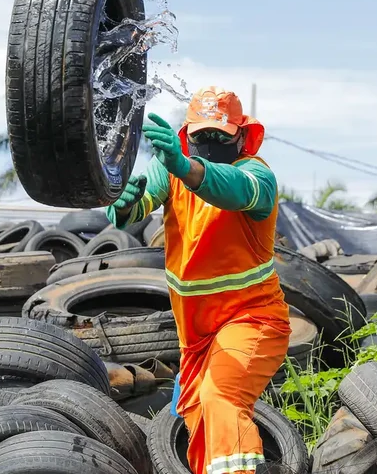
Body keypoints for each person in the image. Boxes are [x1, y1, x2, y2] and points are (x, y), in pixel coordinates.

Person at [106, 86, 291, 474]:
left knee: (221, 396)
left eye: (220, 135)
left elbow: (233, 190)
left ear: (241, 135)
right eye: (201, 135)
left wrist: (186, 167)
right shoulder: (170, 171)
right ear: (187, 134)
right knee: (197, 417)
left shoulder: (256, 175)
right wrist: (123, 208)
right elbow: (141, 202)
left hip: (251, 320)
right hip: (195, 335)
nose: (209, 142)